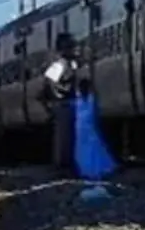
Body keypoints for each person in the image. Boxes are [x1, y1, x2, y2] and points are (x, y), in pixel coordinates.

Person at [42, 34, 79, 175]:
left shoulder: (72, 64)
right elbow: (49, 81)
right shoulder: (59, 64)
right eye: (73, 48)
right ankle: (62, 165)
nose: (76, 50)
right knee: (64, 136)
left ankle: (68, 163)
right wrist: (58, 95)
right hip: (63, 104)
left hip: (70, 102)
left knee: (70, 135)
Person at [72, 79, 118, 181]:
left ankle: (87, 170)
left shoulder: (79, 100)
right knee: (92, 148)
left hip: (81, 127)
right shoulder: (89, 99)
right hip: (87, 126)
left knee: (84, 150)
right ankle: (94, 171)